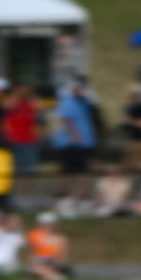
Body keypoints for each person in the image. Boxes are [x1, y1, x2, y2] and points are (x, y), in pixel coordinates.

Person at [52, 79, 97, 213]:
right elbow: (67, 120)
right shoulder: (67, 101)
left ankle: (81, 199)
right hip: (70, 144)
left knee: (83, 171)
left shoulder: (84, 101)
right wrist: (75, 136)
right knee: (68, 172)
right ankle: (62, 199)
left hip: (84, 144)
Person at [3, 83, 40, 187]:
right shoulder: (13, 101)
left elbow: (39, 106)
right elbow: (7, 106)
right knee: (15, 167)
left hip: (29, 140)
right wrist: (17, 96)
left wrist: (31, 95)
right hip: (13, 139)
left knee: (29, 168)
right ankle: (16, 189)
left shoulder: (31, 102)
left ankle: (27, 189)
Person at [25, 213, 72, 280]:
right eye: (46, 224)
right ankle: (52, 277)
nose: (48, 227)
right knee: (37, 268)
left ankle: (50, 276)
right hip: (39, 263)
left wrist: (57, 264)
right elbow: (30, 253)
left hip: (53, 263)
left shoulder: (61, 239)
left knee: (42, 268)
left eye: (50, 224)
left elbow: (63, 256)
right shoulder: (34, 236)